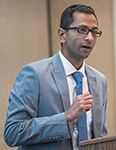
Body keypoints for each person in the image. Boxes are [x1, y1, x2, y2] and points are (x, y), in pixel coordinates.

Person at [4, 4, 107, 150]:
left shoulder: (100, 80)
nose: (90, 38)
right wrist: (66, 117)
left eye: (94, 31)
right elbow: (13, 132)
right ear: (62, 35)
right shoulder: (35, 74)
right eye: (82, 30)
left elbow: (100, 136)